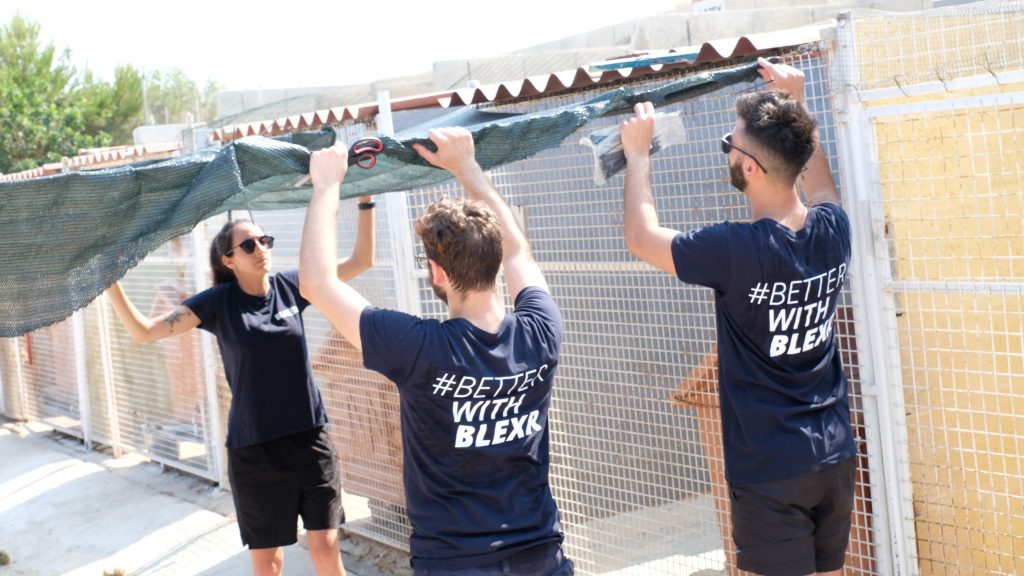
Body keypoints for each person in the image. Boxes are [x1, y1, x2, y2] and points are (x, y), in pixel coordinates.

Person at [619, 58, 856, 576]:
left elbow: (640, 237)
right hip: (834, 453)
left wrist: (638, 155)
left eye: (730, 143)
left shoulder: (733, 249)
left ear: (749, 167)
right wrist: (797, 103)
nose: (726, 148)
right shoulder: (832, 229)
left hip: (771, 469)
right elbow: (821, 189)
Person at [299, 128, 574, 575]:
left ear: (436, 272)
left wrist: (328, 185)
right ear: (495, 257)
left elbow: (316, 283)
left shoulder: (418, 348)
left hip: (453, 564)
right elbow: (519, 249)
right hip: (541, 559)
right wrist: (467, 167)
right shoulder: (541, 331)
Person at [104, 195, 376, 576]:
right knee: (269, 562)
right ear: (228, 260)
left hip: (310, 440)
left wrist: (366, 204)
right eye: (249, 245)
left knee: (326, 547)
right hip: (255, 449)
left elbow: (361, 262)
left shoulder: (293, 287)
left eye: (264, 241)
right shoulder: (219, 303)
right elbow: (144, 332)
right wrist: (110, 282)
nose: (261, 249)